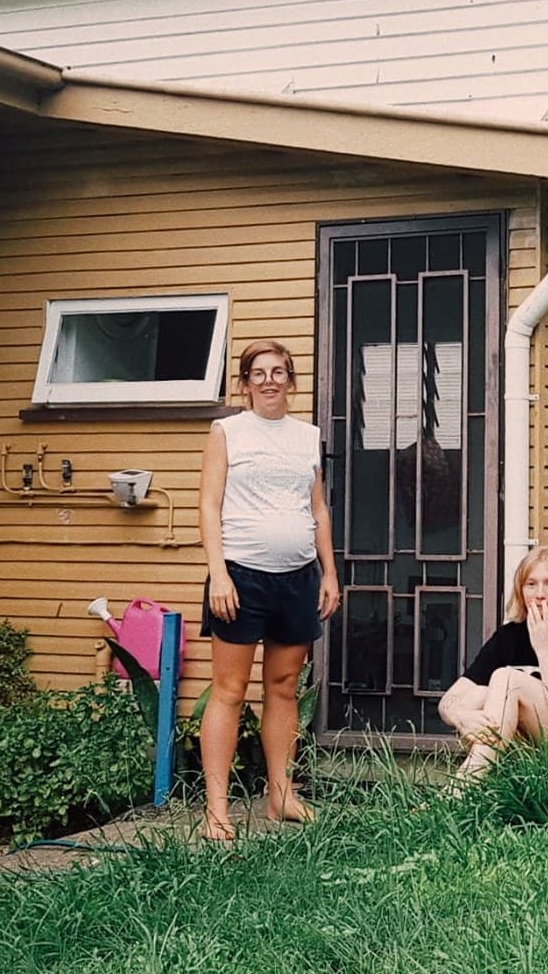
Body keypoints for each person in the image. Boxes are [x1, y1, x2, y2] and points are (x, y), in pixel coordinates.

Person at [197, 339, 341, 842]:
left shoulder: (307, 437)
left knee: (282, 688)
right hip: (241, 577)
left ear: (292, 381)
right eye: (259, 373)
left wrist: (329, 573)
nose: (269, 380)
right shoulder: (227, 432)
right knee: (230, 691)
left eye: (279, 371)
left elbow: (318, 509)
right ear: (245, 383)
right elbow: (209, 504)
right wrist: (219, 573)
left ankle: (280, 795)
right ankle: (218, 810)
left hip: (298, 578)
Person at [437, 547, 548, 783]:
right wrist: (462, 717)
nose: (539, 594)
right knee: (477, 696)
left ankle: (462, 788)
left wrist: (544, 649)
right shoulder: (510, 636)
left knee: (507, 679)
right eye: (531, 584)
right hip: (525, 748)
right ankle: (481, 780)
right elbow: (449, 701)